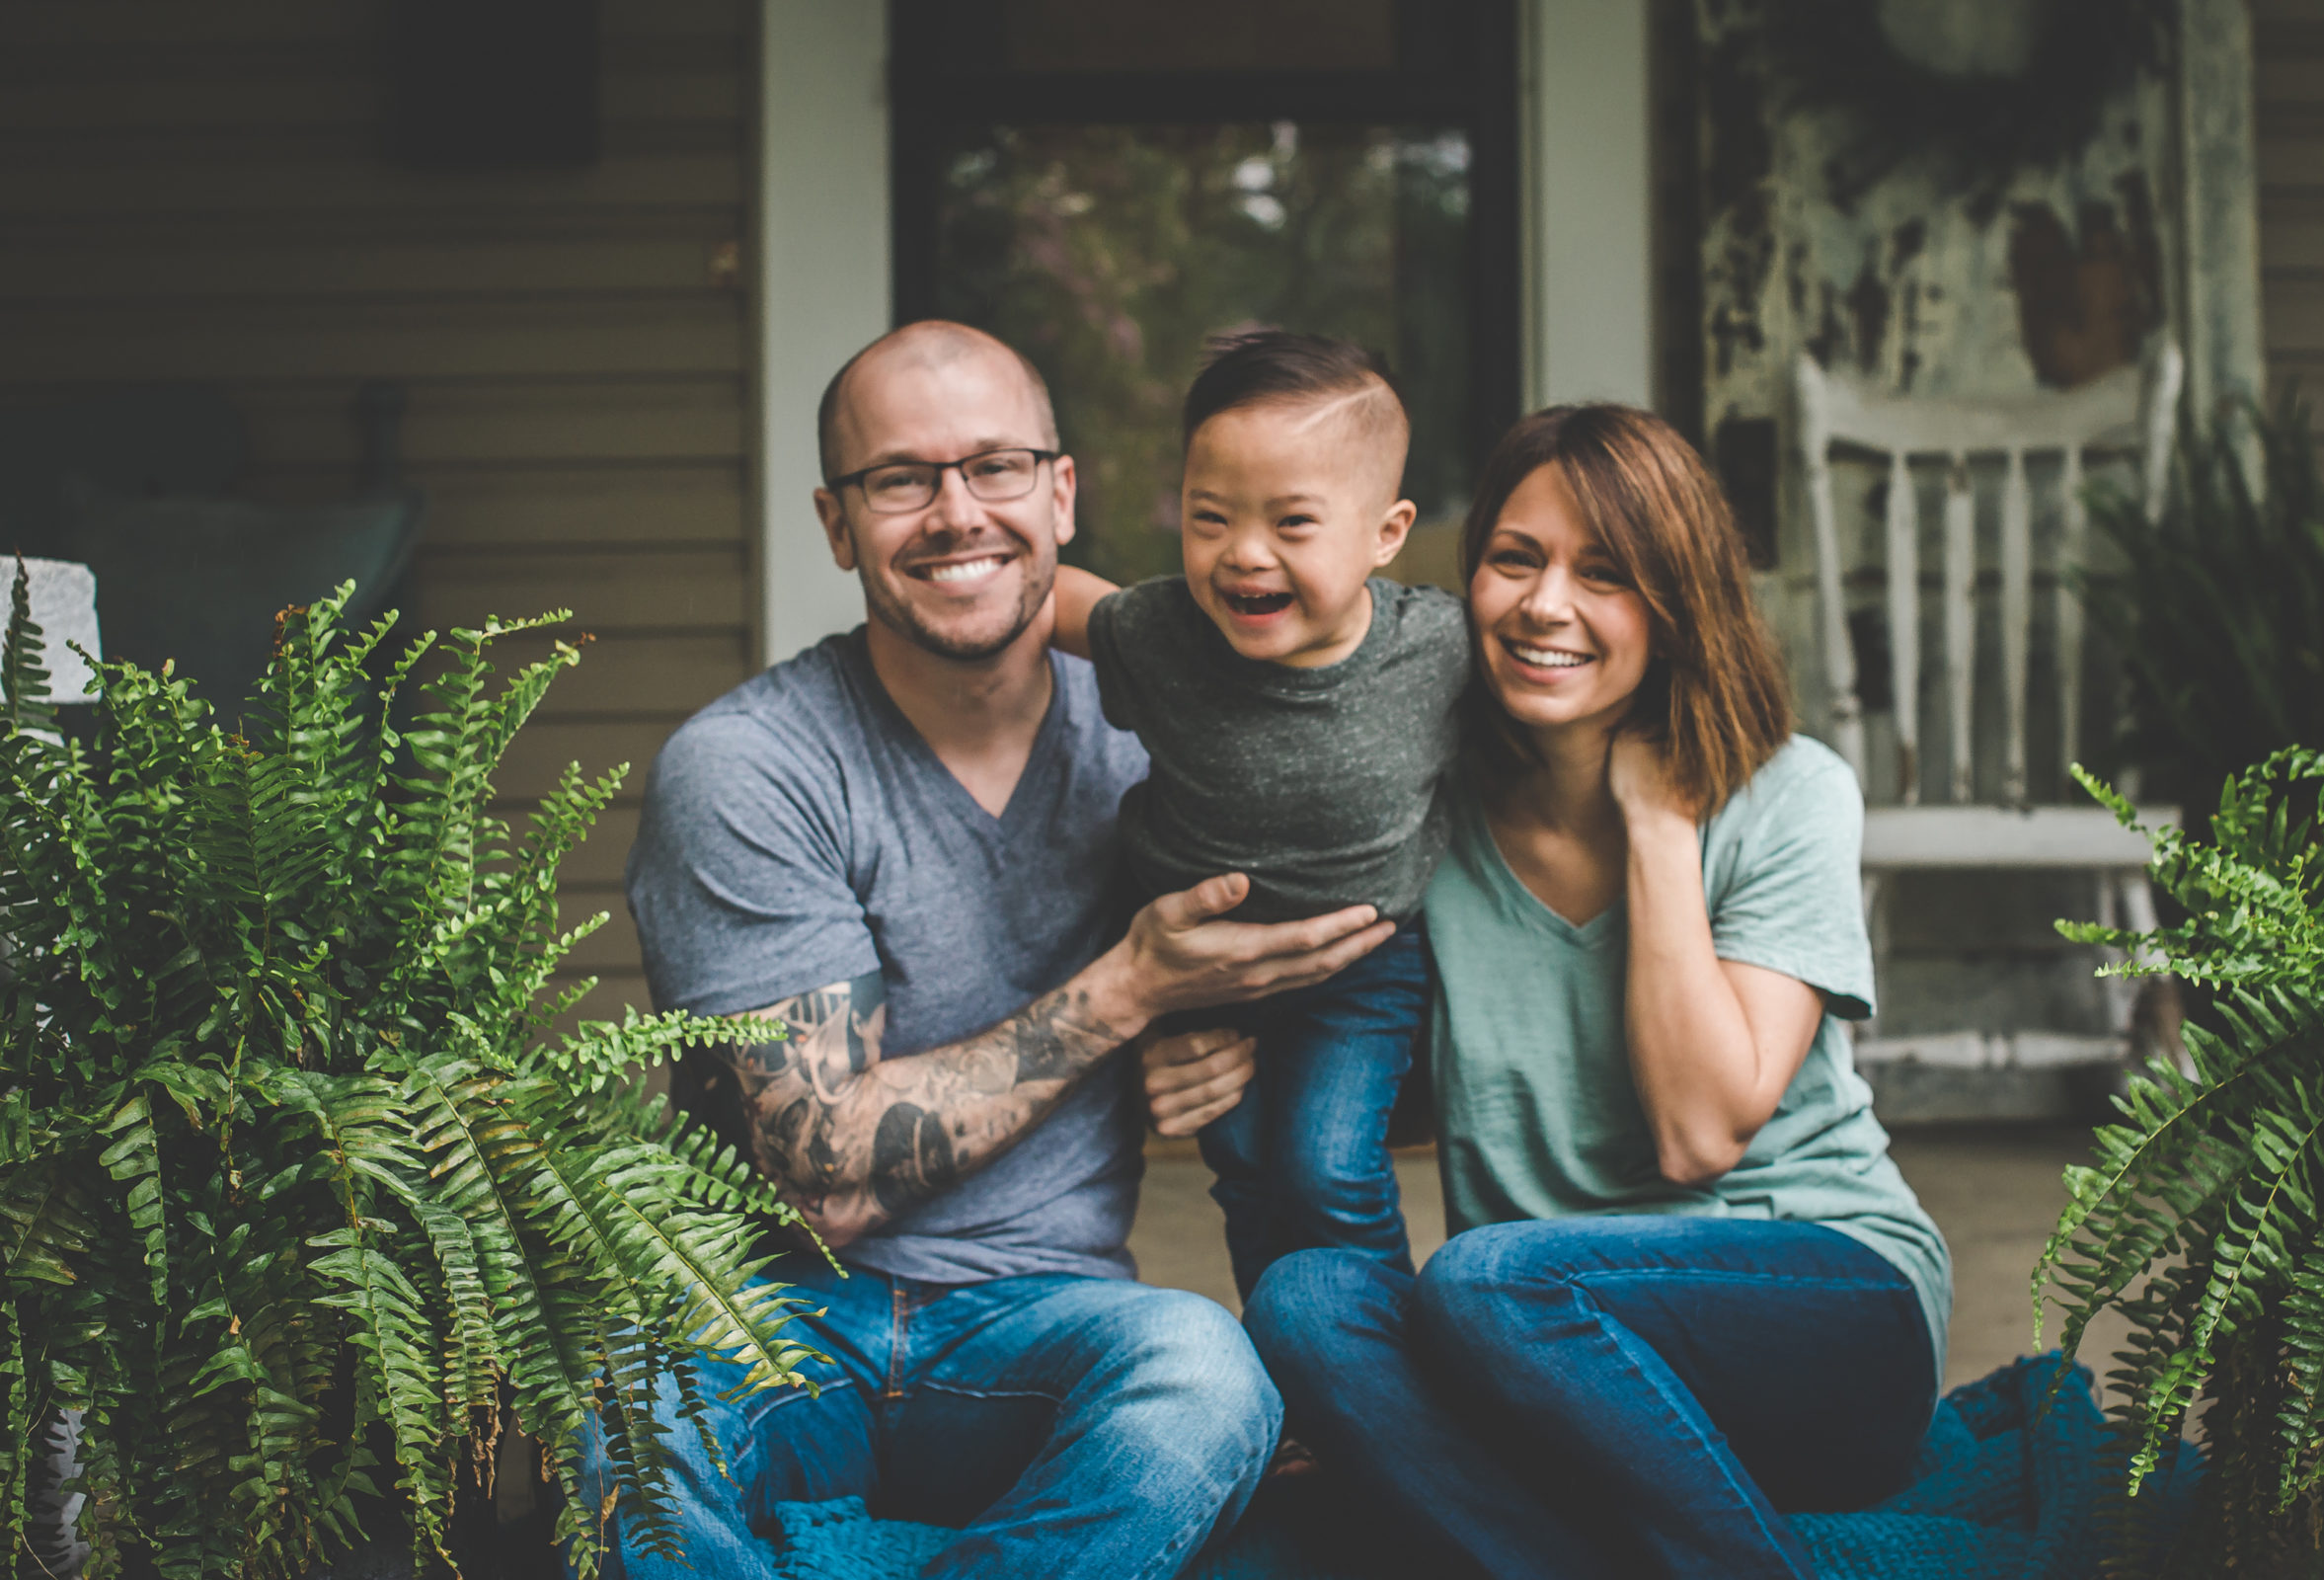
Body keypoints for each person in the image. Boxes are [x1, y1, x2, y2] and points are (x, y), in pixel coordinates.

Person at [592, 319, 1393, 1579]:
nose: (956, 513)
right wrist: (1132, 991)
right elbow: (821, 1182)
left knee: (1205, 1375)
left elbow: (1332, 954)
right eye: (899, 478)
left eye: (997, 468)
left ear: (1060, 492)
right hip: (774, 1312)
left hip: (1046, 1318)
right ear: (835, 521)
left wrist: (1220, 1036)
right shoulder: (752, 768)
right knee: (622, 1401)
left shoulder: (1160, 740)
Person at [1205, 404, 1954, 1579]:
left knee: (1489, 1271)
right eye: (1517, 559)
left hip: (1825, 1315)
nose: (1545, 605)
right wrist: (1206, 1048)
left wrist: (1657, 821)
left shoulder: (1787, 793)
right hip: (1540, 1357)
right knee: (1305, 1301)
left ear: (1677, 603)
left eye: (1604, 574)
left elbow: (1700, 1130)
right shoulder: (1425, 818)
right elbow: (1405, 1084)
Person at [1051, 330, 1467, 1300]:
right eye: (1210, 518)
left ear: (1384, 533)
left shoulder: (1438, 649)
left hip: (1360, 966)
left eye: (1292, 523)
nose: (1243, 555)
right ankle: (1290, 1370)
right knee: (1243, 1167)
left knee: (1325, 1167)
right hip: (1202, 969)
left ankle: (1374, 1364)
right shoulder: (1162, 635)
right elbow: (1061, 602)